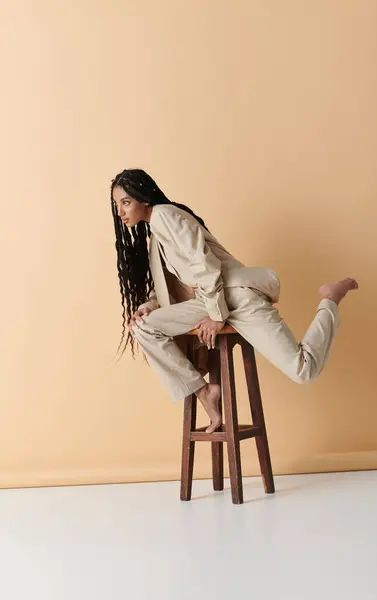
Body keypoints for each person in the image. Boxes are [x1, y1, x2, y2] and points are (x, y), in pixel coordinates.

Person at [110, 168, 359, 433]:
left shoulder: (166, 216)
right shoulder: (155, 234)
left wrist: (217, 318)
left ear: (144, 199)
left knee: (303, 369)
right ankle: (205, 392)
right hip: (209, 300)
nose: (121, 212)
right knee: (144, 326)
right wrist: (147, 307)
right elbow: (171, 284)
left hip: (237, 297)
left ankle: (331, 299)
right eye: (117, 205)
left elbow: (205, 265)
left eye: (126, 202)